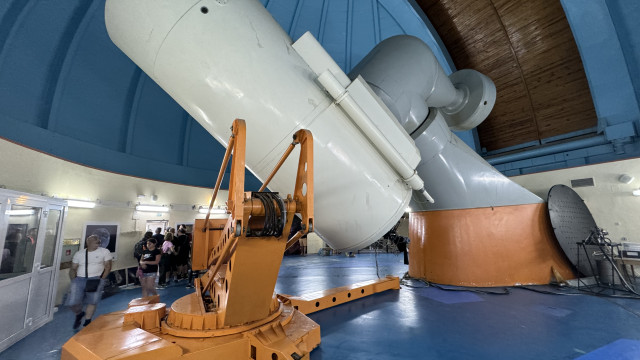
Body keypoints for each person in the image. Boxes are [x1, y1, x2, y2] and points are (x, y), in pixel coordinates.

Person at [68, 235, 112, 329]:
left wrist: (102, 279)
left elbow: (108, 266)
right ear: (89, 242)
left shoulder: (104, 252)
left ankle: (88, 320)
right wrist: (74, 280)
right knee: (72, 303)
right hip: (79, 279)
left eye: (99, 242)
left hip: (95, 279)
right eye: (96, 242)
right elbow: (73, 268)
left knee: (92, 301)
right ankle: (79, 314)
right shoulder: (79, 253)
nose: (98, 244)